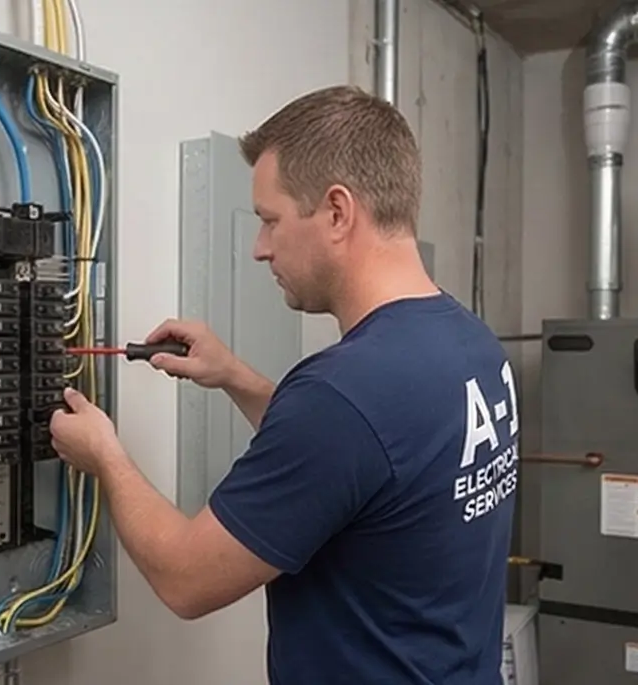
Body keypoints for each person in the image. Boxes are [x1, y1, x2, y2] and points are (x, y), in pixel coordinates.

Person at [50, 85, 518, 685]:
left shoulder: (342, 395)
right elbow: (370, 465)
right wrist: (234, 377)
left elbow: (186, 579)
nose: (258, 249)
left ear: (337, 212)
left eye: (270, 221)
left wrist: (105, 456)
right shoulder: (471, 344)